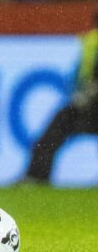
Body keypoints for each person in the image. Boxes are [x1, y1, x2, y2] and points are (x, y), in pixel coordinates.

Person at [23, 12, 98, 184]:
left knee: (57, 128)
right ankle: (36, 176)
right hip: (91, 106)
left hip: (90, 105)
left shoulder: (91, 41)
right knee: (60, 123)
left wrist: (83, 98)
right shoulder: (92, 42)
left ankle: (36, 177)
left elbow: (80, 77)